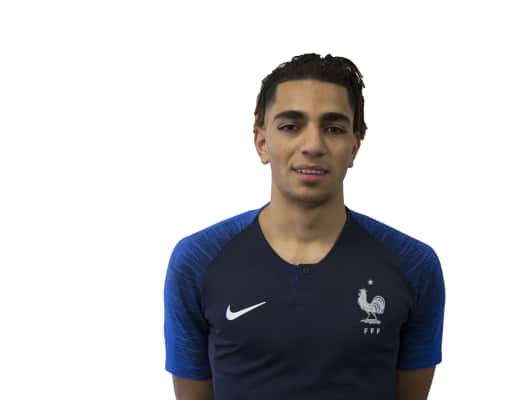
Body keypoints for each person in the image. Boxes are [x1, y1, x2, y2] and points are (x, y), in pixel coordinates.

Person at [163, 53, 446, 400]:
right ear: (262, 142)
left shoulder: (413, 266)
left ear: (354, 147)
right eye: (291, 126)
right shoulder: (198, 261)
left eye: (333, 129)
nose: (313, 145)